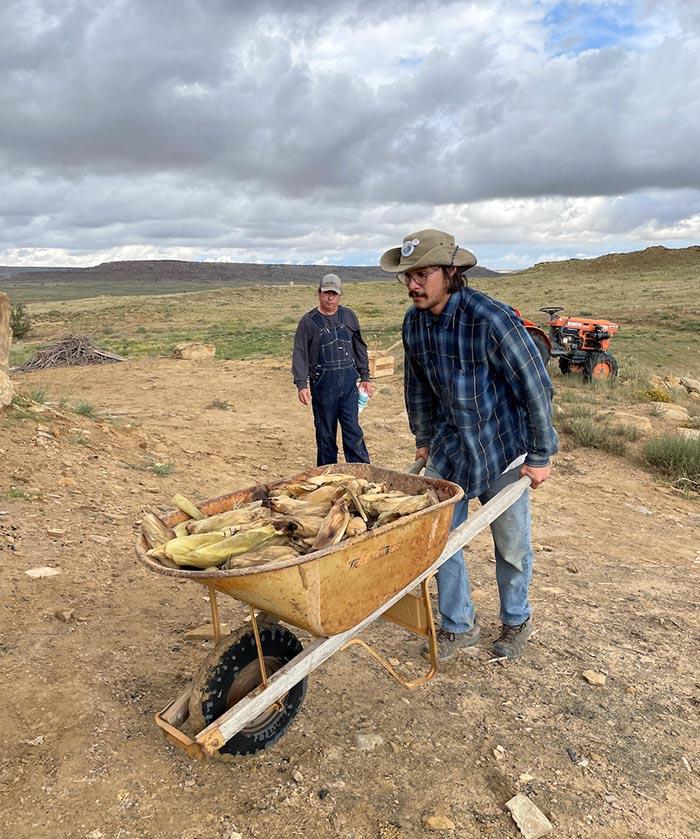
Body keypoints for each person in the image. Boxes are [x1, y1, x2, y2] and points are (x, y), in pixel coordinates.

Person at [380, 230, 558, 661]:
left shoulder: (490, 318)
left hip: (503, 449)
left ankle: (516, 620)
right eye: (407, 276)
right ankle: (460, 626)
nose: (413, 285)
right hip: (450, 450)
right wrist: (423, 440)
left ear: (451, 272)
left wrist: (540, 455)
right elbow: (417, 388)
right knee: (439, 541)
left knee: (511, 545)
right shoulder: (414, 322)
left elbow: (535, 387)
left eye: (422, 274)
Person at [292, 273, 373, 466]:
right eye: (326, 293)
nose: (330, 298)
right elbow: (300, 353)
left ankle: (362, 473)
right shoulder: (308, 322)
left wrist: (365, 376)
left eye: (334, 294)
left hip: (348, 387)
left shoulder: (349, 316)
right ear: (319, 293)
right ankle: (327, 477)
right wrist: (301, 384)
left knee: (353, 432)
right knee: (325, 434)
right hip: (322, 387)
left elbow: (359, 347)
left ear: (340, 295)